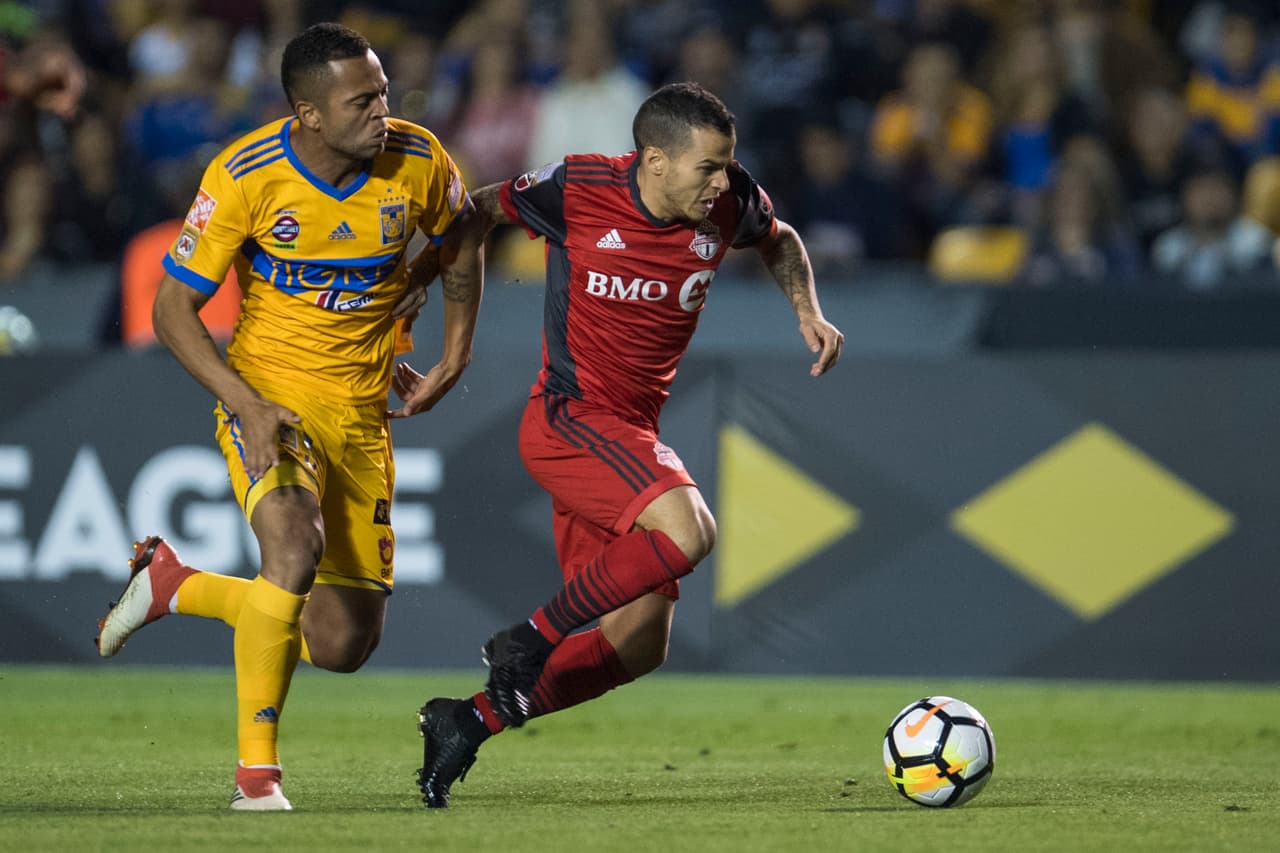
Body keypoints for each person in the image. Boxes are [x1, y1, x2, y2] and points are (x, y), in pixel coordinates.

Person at [411, 81, 844, 809]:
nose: (722, 181)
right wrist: (439, 326)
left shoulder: (731, 201)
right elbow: (477, 211)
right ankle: (528, 637)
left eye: (727, 165)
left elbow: (780, 240)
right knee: (690, 529)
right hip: (569, 417)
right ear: (653, 161)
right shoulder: (579, 186)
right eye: (707, 166)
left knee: (639, 639)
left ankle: (465, 720)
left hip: (630, 436)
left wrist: (808, 309)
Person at [94, 22, 483, 811]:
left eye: (383, 91)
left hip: (362, 411)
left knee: (342, 643)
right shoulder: (245, 175)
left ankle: (176, 584)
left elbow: (464, 235)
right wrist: (243, 401)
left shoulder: (418, 159)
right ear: (306, 112)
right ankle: (256, 775)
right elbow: (174, 308)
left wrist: (454, 352)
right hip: (270, 396)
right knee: (292, 543)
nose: (384, 110)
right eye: (363, 99)